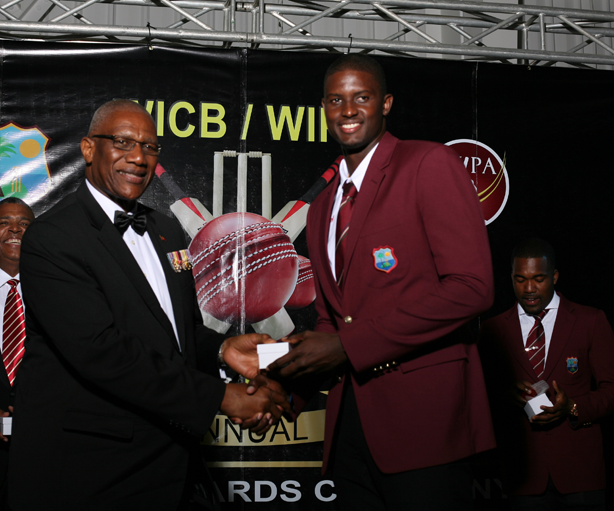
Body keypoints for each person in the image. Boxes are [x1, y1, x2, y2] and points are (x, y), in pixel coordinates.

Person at [8, 100, 286, 511]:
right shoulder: (53, 237)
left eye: (150, 147)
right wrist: (220, 398)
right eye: (122, 142)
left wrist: (224, 350)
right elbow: (102, 351)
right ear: (87, 148)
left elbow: (180, 330)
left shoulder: (165, 228)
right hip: (90, 473)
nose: (138, 157)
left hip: (169, 462)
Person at [266, 54, 496, 510]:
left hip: (425, 425)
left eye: (361, 97)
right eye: (336, 99)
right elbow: (335, 320)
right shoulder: (321, 208)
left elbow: (473, 287)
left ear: (386, 103)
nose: (347, 110)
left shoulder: (427, 162)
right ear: (324, 109)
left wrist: (350, 346)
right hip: (351, 422)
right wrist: (286, 386)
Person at [479, 238, 614, 510]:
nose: (529, 289)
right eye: (520, 279)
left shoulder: (590, 321)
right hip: (523, 475)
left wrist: (572, 407)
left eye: (538, 279)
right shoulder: (492, 330)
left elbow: (611, 390)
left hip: (581, 474)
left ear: (554, 276)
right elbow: (479, 397)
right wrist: (507, 396)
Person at [0, 198, 34, 510]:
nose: (14, 229)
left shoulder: (58, 292)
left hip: (42, 446)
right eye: (4, 223)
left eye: (24, 224)